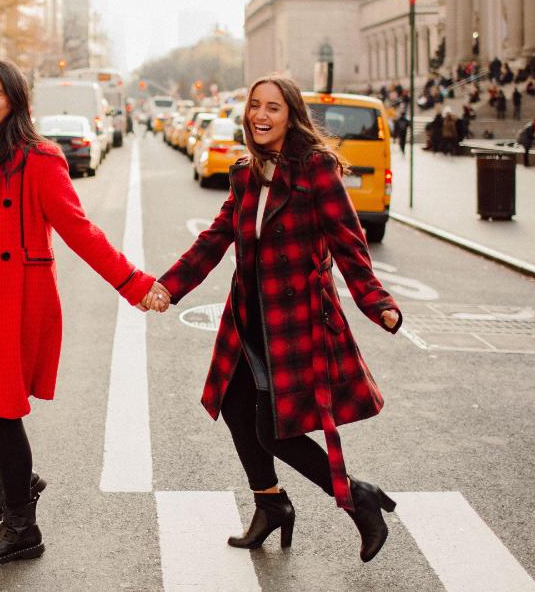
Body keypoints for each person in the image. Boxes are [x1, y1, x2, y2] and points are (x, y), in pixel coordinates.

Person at [0, 59, 166, 567]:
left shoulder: (39, 159)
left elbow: (80, 230)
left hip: (9, 301)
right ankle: (17, 477)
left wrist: (135, 284)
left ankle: (23, 528)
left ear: (16, 100)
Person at [146, 75, 403, 563]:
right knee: (237, 408)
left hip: (296, 320)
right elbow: (215, 239)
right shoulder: (245, 171)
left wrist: (377, 302)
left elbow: (349, 242)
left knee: (273, 429)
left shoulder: (316, 168)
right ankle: (271, 505)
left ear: (292, 116)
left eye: (273, 108)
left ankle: (358, 498)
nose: (260, 116)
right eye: (255, 106)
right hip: (248, 316)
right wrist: (169, 286)